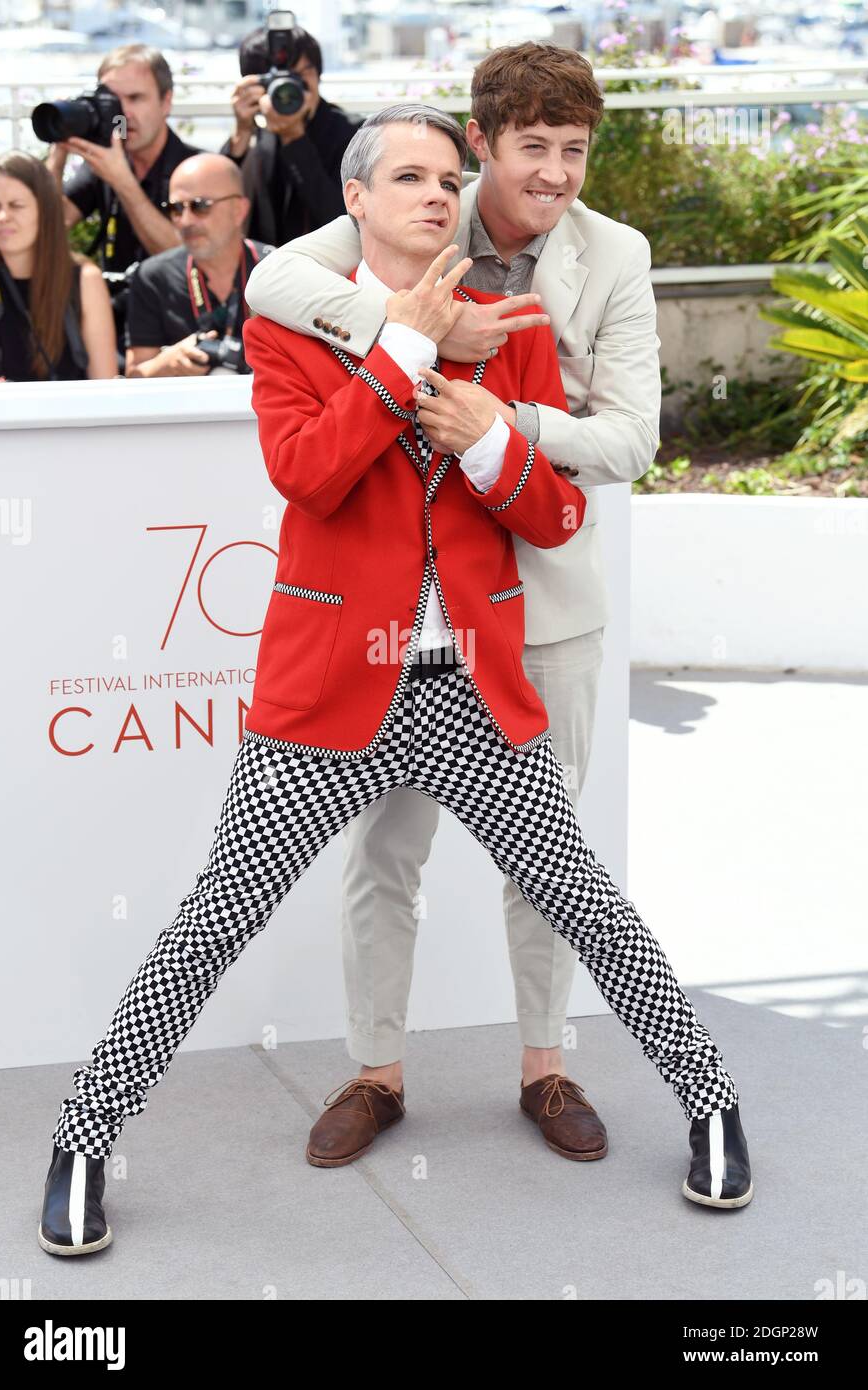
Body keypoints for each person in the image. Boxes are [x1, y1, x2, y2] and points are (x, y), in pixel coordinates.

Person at [38, 106, 751, 1258]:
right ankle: (82, 1138)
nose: (437, 193)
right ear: (354, 201)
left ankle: (712, 1102)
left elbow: (557, 511)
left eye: (449, 176)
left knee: (586, 900)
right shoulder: (294, 331)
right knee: (213, 921)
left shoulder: (510, 326)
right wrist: (408, 353)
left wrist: (491, 438)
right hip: (325, 696)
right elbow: (310, 477)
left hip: (470, 688)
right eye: (409, 177)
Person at [243, 42, 662, 1163]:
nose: (559, 174)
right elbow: (271, 283)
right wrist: (413, 336)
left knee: (553, 855)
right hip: (402, 615)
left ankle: (548, 1065)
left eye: (576, 151)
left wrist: (501, 427)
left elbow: (632, 438)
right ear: (482, 145)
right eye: (534, 149)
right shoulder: (414, 198)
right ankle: (377, 1074)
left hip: (548, 591)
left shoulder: (613, 254)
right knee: (385, 854)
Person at [45, 43, 204, 353]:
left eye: (135, 98)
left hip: (176, 328)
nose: (123, 112)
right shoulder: (107, 164)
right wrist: (58, 154)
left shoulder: (194, 170)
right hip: (113, 323)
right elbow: (48, 224)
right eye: (113, 100)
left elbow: (190, 259)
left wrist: (122, 181)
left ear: (166, 102)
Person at [0, 151, 116, 384]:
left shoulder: (83, 279)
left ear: (45, 210)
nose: (2, 216)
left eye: (16, 205)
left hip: (66, 418)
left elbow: (104, 386)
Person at [124, 154, 271, 378]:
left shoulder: (280, 269)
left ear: (239, 210)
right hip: (185, 411)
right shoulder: (153, 277)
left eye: (200, 206)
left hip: (272, 409)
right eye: (175, 208)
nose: (186, 220)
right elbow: (132, 380)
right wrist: (166, 364)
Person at [221, 23, 360, 246]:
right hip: (266, 267)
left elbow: (348, 224)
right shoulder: (259, 134)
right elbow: (216, 204)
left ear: (317, 74)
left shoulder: (355, 135)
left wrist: (294, 139)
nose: (287, 90)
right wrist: (241, 133)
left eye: (298, 75)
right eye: (275, 81)